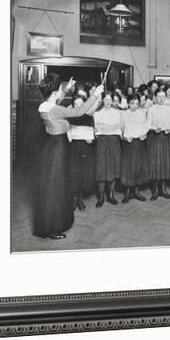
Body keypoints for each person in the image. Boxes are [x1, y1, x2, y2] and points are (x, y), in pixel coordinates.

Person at [35, 74, 103, 239]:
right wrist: (95, 95)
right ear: (54, 91)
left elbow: (55, 103)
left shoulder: (44, 106)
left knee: (53, 186)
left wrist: (65, 90)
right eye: (59, 88)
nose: (61, 91)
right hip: (58, 148)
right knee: (56, 188)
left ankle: (50, 224)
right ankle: (52, 228)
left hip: (52, 147)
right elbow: (79, 111)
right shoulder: (56, 109)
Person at [67, 94, 98, 211]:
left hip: (85, 149)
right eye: (76, 105)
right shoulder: (69, 117)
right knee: (73, 172)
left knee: (82, 173)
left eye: (81, 105)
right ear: (73, 105)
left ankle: (79, 198)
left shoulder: (89, 117)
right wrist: (68, 135)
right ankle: (73, 197)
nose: (79, 107)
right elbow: (66, 130)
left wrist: (91, 139)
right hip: (73, 148)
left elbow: (93, 134)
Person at [93, 92, 122, 207]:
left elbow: (120, 128)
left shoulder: (117, 113)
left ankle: (111, 195)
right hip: (102, 142)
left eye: (111, 100)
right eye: (106, 99)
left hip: (114, 141)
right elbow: (95, 129)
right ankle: (101, 196)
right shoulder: (97, 114)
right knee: (101, 168)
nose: (108, 102)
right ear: (102, 101)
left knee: (113, 167)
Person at [146, 88, 170, 200]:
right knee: (155, 164)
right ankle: (155, 190)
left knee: (164, 164)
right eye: (159, 97)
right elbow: (148, 124)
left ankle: (163, 188)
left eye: (163, 97)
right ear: (155, 98)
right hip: (155, 138)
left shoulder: (169, 109)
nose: (161, 99)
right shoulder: (151, 109)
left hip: (165, 137)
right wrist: (154, 129)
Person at [120, 94, 149, 203]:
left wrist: (144, 135)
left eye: (136, 103)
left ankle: (136, 191)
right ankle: (127, 191)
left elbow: (144, 127)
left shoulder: (142, 114)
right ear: (128, 103)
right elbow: (121, 128)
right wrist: (125, 136)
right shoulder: (124, 114)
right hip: (128, 144)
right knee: (128, 166)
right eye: (132, 103)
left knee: (138, 165)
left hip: (138, 143)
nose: (134, 106)